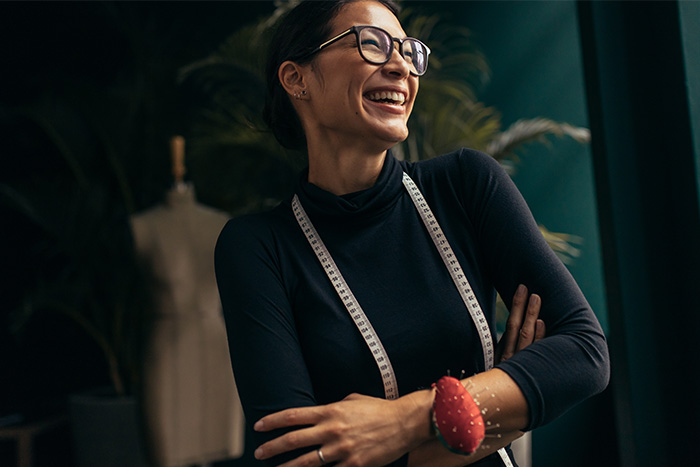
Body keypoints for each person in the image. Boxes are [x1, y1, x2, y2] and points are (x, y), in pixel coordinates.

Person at [214, 1, 610, 466]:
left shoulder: (466, 184)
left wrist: (405, 421)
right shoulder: (257, 248)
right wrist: (502, 404)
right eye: (373, 44)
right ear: (296, 79)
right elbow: (297, 456)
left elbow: (584, 352)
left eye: (408, 50)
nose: (401, 66)